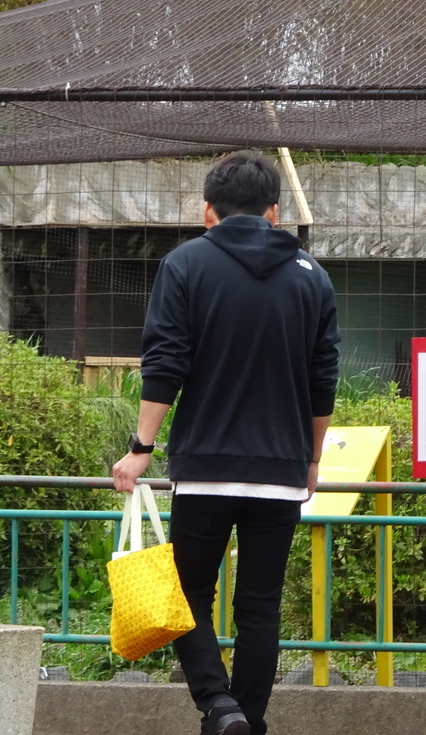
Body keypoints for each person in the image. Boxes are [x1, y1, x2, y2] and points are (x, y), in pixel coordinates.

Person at [112, 152, 340, 735]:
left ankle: (219, 706)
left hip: (205, 469)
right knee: (260, 605)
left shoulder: (186, 264)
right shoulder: (311, 276)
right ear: (274, 212)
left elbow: (165, 360)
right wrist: (312, 459)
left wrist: (141, 447)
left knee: (190, 592)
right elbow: (323, 379)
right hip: (281, 471)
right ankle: (248, 721)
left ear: (207, 211)